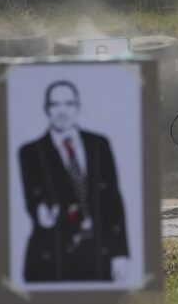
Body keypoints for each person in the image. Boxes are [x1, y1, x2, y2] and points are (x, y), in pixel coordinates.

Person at [18, 80, 129, 282]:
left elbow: (113, 199)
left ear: (77, 107)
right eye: (55, 104)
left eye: (69, 104)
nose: (62, 111)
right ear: (46, 109)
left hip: (99, 253)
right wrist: (41, 212)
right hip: (51, 258)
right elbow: (30, 198)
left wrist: (120, 252)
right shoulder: (30, 152)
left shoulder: (99, 144)